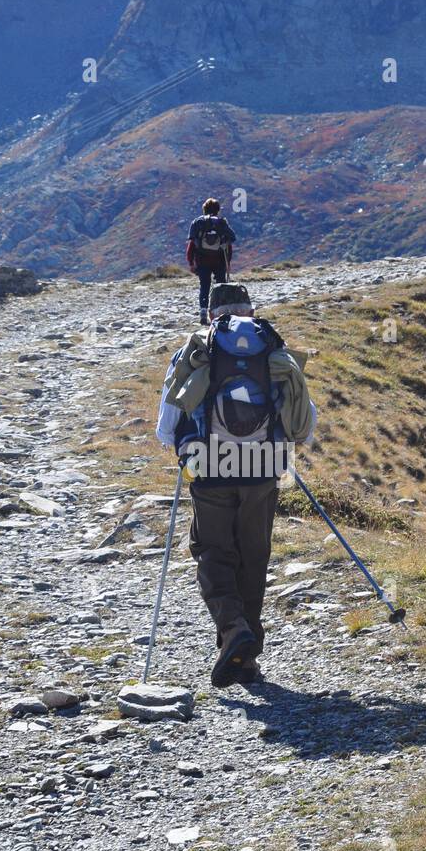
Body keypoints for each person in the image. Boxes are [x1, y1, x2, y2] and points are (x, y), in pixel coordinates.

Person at [157, 282, 315, 688]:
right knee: (253, 556)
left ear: (211, 314)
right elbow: (305, 425)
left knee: (213, 553)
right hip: (264, 469)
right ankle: (246, 657)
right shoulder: (273, 351)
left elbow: (165, 429)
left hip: (209, 468)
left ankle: (232, 631)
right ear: (250, 309)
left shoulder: (194, 351)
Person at [186, 198, 237, 325]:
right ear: (218, 210)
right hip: (219, 260)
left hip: (202, 260)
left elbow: (192, 245)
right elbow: (231, 240)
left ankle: (203, 311)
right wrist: (228, 263)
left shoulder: (197, 222)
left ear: (204, 209)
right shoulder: (221, 223)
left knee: (204, 286)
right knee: (221, 285)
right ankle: (221, 312)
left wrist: (191, 263)